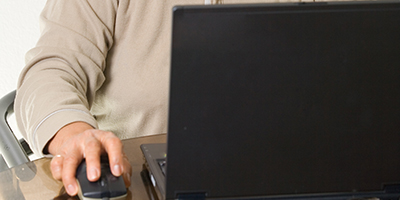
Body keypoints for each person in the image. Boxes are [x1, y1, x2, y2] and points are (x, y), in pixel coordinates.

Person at [14, 0, 352, 197]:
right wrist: (75, 135)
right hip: (144, 186)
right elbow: (51, 69)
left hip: (279, 176)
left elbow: (358, 48)